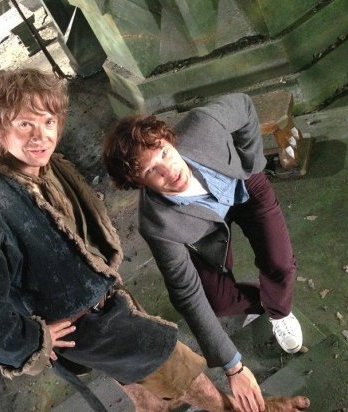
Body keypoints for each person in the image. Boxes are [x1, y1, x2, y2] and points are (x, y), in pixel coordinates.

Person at [0, 69, 310, 412]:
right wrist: (33, 340)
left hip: (106, 295)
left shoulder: (47, 167)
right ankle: (247, 409)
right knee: (170, 360)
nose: (40, 136)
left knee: (142, 375)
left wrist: (251, 165)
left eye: (48, 121)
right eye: (24, 124)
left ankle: (151, 402)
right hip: (81, 322)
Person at [103, 93, 305, 408]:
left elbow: (243, 105)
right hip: (207, 229)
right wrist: (233, 366)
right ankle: (269, 300)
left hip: (244, 189)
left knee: (278, 264)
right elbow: (186, 293)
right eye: (151, 171)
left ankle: (279, 311)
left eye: (164, 153)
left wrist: (252, 164)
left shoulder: (203, 124)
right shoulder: (156, 223)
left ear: (169, 140)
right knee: (219, 303)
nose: (169, 170)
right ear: (139, 184)